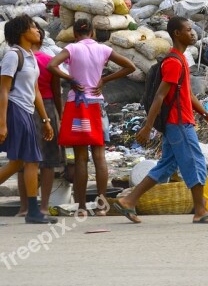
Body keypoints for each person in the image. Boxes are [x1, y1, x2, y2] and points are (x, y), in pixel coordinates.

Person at [114, 17, 208, 224]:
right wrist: (148, 126)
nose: (193, 33)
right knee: (195, 161)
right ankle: (200, 211)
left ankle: (129, 200)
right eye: (189, 30)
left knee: (165, 166)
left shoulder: (181, 59)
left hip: (178, 122)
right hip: (179, 122)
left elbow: (188, 94)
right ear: (177, 34)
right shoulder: (174, 62)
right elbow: (159, 96)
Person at [47, 18, 135, 215]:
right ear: (93, 33)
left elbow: (52, 65)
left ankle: (81, 208)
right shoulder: (103, 50)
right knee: (99, 155)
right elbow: (130, 66)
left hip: (77, 105)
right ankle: (102, 206)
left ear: (75, 34)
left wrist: (70, 78)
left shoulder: (72, 48)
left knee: (80, 158)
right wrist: (104, 79)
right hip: (96, 104)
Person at [0, 15, 58, 224]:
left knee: (17, 163)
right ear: (22, 32)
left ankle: (33, 211)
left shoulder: (31, 57)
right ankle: (33, 212)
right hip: (15, 110)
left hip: (27, 111)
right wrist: (2, 123)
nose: (37, 30)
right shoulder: (13, 56)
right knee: (31, 160)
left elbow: (36, 92)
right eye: (33, 27)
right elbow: (3, 90)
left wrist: (45, 120)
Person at [16, 27, 64, 217]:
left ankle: (24, 207)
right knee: (48, 161)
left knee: (22, 161)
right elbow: (56, 90)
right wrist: (58, 116)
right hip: (48, 107)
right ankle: (43, 206)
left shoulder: (18, 59)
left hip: (22, 108)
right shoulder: (48, 61)